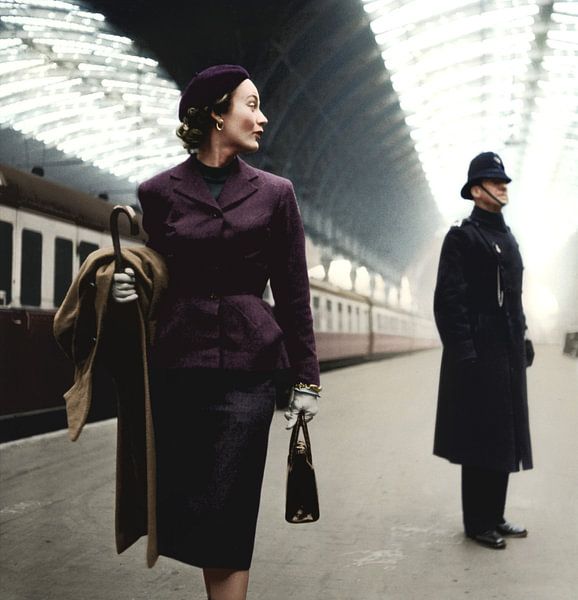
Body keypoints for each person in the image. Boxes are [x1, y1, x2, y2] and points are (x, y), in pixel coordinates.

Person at [112, 64, 320, 600]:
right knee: (198, 512)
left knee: (229, 515)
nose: (262, 117)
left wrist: (307, 380)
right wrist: (127, 287)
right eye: (250, 105)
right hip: (178, 371)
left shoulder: (276, 194)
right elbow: (156, 272)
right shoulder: (157, 193)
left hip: (249, 376)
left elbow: (294, 294)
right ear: (215, 114)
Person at [433, 151, 534, 550]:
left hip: (506, 352)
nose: (503, 186)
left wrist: (522, 336)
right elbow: (448, 301)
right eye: (495, 181)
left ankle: (495, 515)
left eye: (504, 181)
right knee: (479, 438)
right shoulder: (462, 236)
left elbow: (514, 296)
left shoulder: (507, 238)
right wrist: (465, 353)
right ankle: (477, 522)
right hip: (477, 352)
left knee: (503, 434)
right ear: (476, 191)